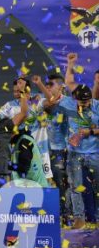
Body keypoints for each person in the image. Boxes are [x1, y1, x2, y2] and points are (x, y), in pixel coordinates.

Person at [47, 83, 99, 229]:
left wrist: (90, 132)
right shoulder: (67, 104)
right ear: (74, 99)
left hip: (95, 153)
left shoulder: (98, 107)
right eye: (81, 102)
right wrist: (66, 137)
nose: (84, 105)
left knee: (97, 187)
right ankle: (79, 219)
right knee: (75, 186)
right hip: (74, 154)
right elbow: (53, 110)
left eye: (86, 102)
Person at [45, 73, 70, 218]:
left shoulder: (68, 103)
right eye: (46, 85)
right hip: (45, 150)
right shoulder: (43, 102)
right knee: (51, 182)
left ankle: (65, 214)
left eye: (51, 85)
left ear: (60, 87)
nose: (47, 87)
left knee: (62, 181)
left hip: (61, 150)